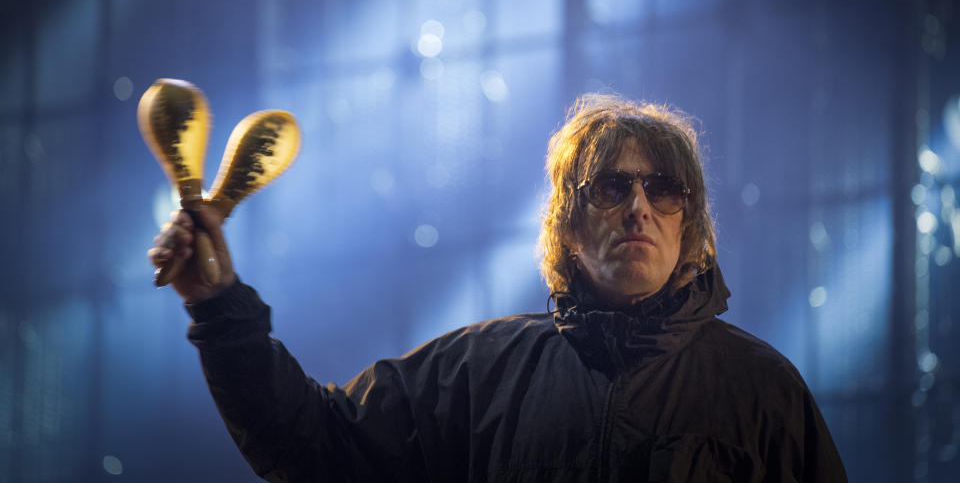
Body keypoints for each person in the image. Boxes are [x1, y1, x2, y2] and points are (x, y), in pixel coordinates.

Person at [148, 94, 848, 482]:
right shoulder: (477, 375)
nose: (639, 207)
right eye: (611, 186)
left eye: (662, 189)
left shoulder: (764, 393)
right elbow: (313, 447)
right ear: (568, 226)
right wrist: (218, 308)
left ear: (689, 223)